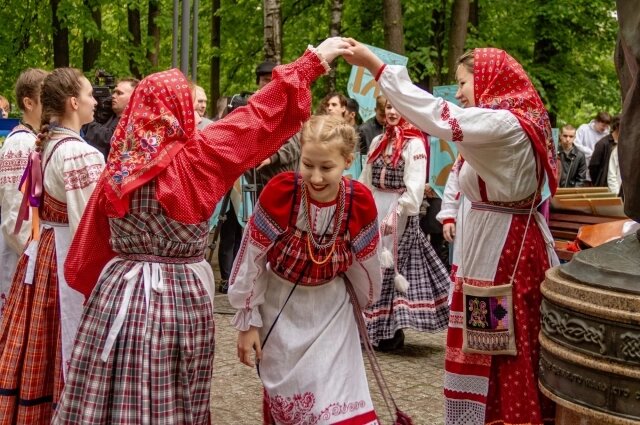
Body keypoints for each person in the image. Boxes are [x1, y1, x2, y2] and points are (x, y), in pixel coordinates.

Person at [51, 38, 352, 424]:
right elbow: (259, 116)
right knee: (174, 393)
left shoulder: (117, 165)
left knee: (106, 388)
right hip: (178, 296)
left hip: (117, 292)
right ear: (178, 108)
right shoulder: (201, 156)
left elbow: (89, 247)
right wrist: (312, 62)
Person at [344, 41, 559, 425]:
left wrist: (377, 67)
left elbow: (440, 116)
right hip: (495, 248)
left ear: (489, 80)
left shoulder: (505, 125)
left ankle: (502, 417)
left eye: (463, 83)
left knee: (497, 348)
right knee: (492, 343)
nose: (458, 93)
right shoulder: (511, 122)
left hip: (501, 257)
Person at [229, 114, 382, 424]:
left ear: (348, 161)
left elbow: (367, 268)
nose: (315, 177)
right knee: (296, 406)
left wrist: (363, 305)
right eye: (307, 165)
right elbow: (252, 259)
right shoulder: (282, 193)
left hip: (332, 312)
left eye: (327, 168)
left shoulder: (358, 202)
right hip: (282, 309)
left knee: (339, 407)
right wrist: (249, 320)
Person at [0, 67, 104, 424]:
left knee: (39, 347)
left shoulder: (47, 144)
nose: (95, 101)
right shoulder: (79, 154)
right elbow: (88, 225)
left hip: (45, 251)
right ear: (74, 102)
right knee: (65, 343)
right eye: (90, 95)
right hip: (62, 258)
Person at [359, 100, 449, 351]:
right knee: (371, 264)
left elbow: (415, 189)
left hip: (399, 212)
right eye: (388, 107)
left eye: (396, 106)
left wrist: (396, 213)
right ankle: (370, 329)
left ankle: (390, 333)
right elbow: (366, 181)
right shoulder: (377, 142)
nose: (391, 112)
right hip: (376, 207)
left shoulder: (415, 144)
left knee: (393, 268)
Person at [0, 68, 48, 318]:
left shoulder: (34, 140)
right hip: (20, 258)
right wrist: (34, 256)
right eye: (46, 97)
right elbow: (14, 215)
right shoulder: (22, 144)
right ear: (28, 102)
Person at [82, 78, 139, 159]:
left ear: (134, 97)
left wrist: (83, 117)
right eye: (114, 92)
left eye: (119, 93)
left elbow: (108, 138)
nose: (113, 96)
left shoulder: (133, 121)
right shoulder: (112, 116)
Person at [588, 115, 620, 188]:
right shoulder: (602, 144)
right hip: (604, 187)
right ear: (618, 126)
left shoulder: (625, 144)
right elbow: (593, 167)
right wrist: (599, 183)